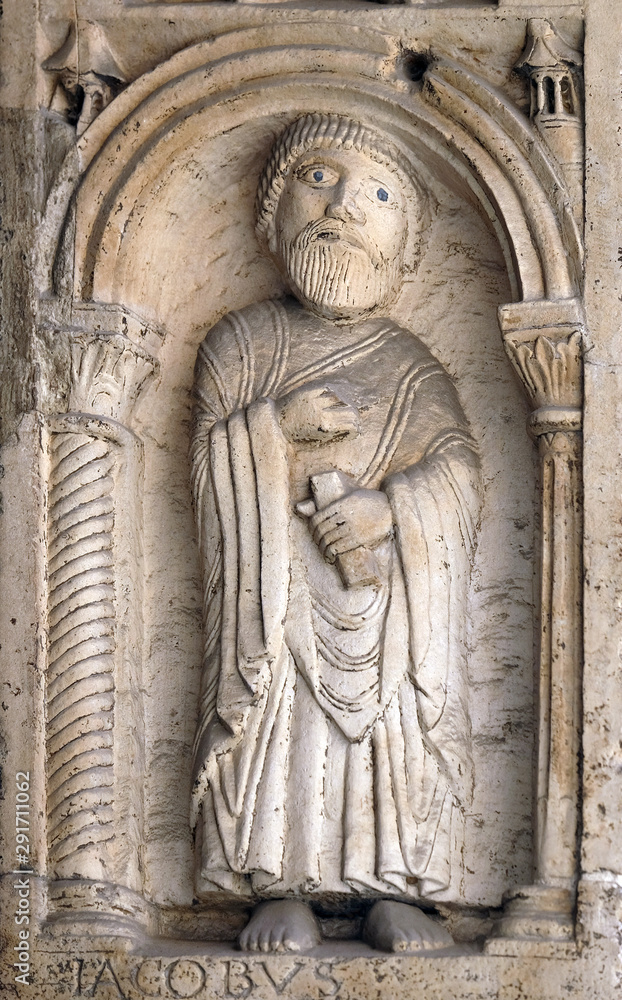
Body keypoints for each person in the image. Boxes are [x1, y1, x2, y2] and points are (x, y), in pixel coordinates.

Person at [190, 114, 481, 953]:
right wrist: (274, 430)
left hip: (382, 604)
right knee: (279, 719)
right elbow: (208, 471)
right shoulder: (241, 344)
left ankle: (392, 887)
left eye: (378, 194)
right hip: (277, 596)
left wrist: (391, 510)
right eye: (320, 178)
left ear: (405, 248)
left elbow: (460, 475)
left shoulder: (412, 365)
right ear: (271, 210)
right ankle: (278, 886)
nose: (344, 206)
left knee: (390, 722)